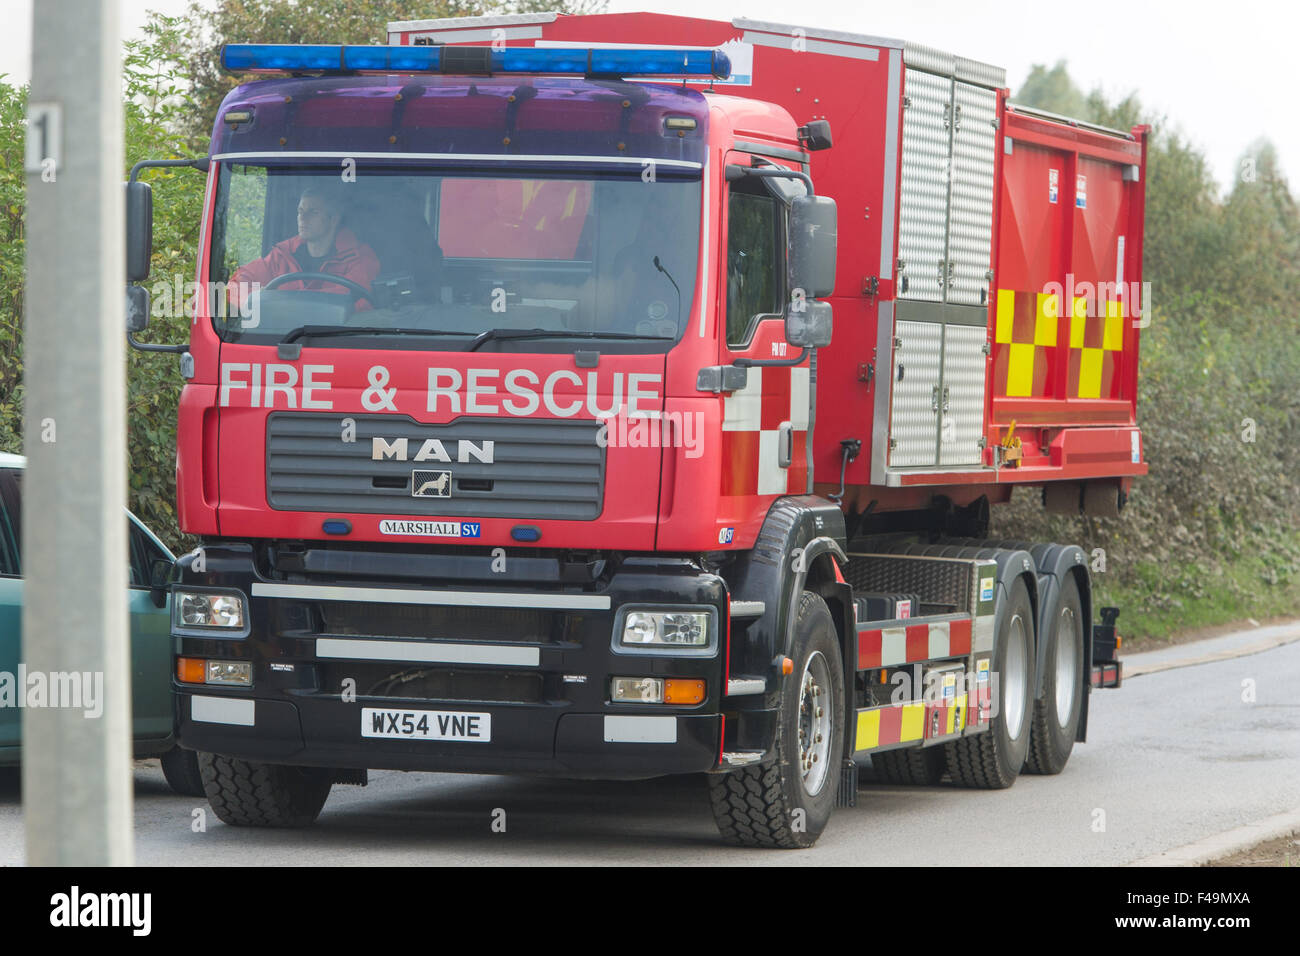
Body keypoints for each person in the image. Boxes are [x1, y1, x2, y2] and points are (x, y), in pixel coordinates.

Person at [229, 186, 380, 311]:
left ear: (333, 219)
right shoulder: (283, 254)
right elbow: (236, 284)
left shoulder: (359, 258)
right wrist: (257, 303)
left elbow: (356, 303)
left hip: (337, 342)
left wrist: (284, 306)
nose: (303, 218)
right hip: (282, 340)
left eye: (313, 212)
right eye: (300, 211)